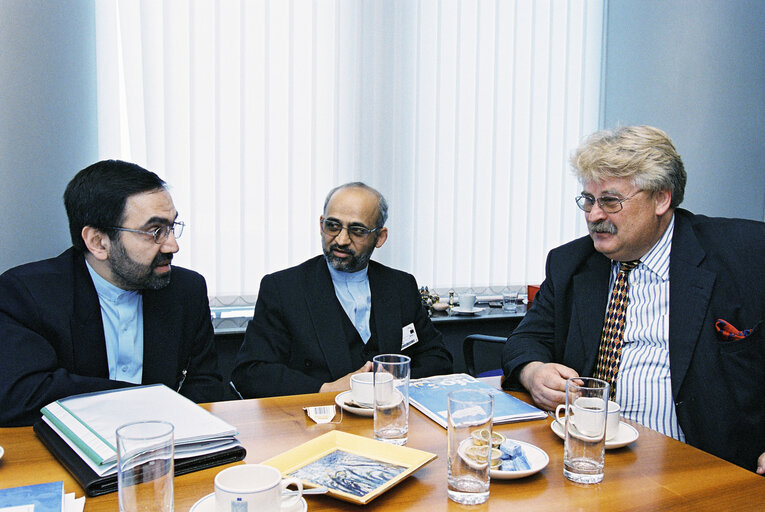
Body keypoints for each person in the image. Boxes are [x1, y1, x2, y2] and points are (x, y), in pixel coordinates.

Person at [501, 126, 765, 473]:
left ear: (661, 199)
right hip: (588, 458)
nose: (595, 216)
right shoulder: (571, 263)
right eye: (588, 200)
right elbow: (526, 339)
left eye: (611, 201)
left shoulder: (745, 252)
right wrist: (534, 373)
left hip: (705, 464)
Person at [0, 160, 223, 426]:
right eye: (155, 232)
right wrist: (146, 401)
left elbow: (206, 386)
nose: (172, 245)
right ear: (98, 242)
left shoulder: (187, 290)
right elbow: (20, 397)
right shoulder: (26, 293)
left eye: (172, 227)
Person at [231, 182, 453, 397]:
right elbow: (251, 372)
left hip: (390, 417)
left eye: (357, 231)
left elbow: (438, 357)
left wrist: (396, 381)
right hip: (317, 421)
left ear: (380, 237)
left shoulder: (400, 285)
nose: (342, 239)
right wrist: (325, 389)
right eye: (333, 226)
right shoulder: (283, 288)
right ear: (321, 225)